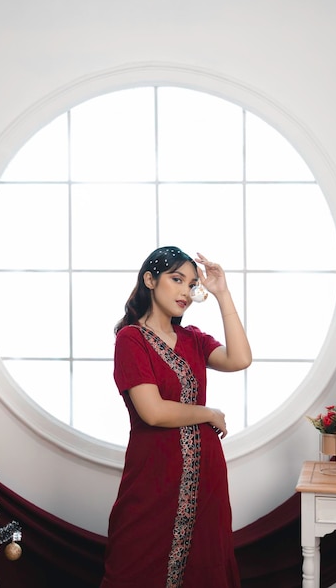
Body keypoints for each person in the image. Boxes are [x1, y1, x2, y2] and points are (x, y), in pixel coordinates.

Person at [100, 246, 252, 588]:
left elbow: (240, 358)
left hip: (206, 477)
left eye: (192, 284)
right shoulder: (131, 340)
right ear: (150, 280)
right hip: (153, 476)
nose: (185, 291)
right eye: (177, 279)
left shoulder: (193, 339)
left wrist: (223, 293)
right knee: (136, 565)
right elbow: (152, 411)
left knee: (205, 567)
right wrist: (208, 413)